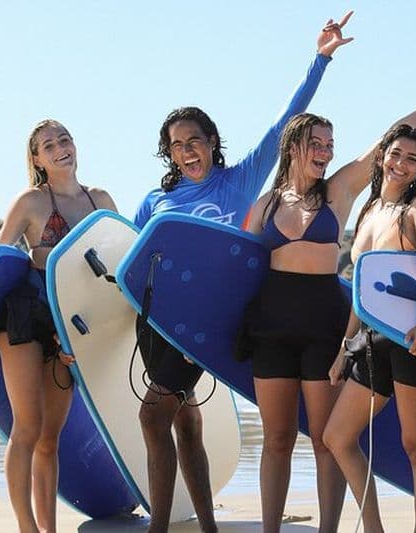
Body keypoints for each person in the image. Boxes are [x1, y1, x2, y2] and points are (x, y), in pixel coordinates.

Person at [131, 13, 353, 533]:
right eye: (177, 145)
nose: (187, 151)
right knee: (186, 419)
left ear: (212, 141)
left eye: (195, 140)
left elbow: (286, 121)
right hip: (158, 323)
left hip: (205, 322)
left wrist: (320, 58)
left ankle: (159, 527)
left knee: (151, 415)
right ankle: (207, 525)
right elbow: (134, 261)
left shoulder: (238, 182)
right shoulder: (155, 200)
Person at [243, 39, 416, 532]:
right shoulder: (268, 204)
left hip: (323, 322)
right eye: (316, 144)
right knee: (276, 440)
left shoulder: (339, 192)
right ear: (292, 147)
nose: (325, 152)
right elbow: (235, 264)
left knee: (325, 438)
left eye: (329, 146)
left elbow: (396, 138)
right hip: (272, 325)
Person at [0, 119, 116, 533]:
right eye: (48, 145)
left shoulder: (101, 200)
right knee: (27, 428)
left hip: (69, 324)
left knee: (50, 438)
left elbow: (113, 268)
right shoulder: (32, 201)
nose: (60, 149)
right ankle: (27, 528)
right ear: (37, 158)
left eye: (65, 139)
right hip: (23, 316)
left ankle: (49, 529)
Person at [323, 124, 416, 533]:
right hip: (371, 339)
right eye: (396, 154)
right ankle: (373, 528)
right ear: (382, 157)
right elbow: (363, 288)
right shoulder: (370, 209)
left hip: (413, 339)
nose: (401, 164)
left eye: (412, 159)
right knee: (337, 436)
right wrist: (344, 347)